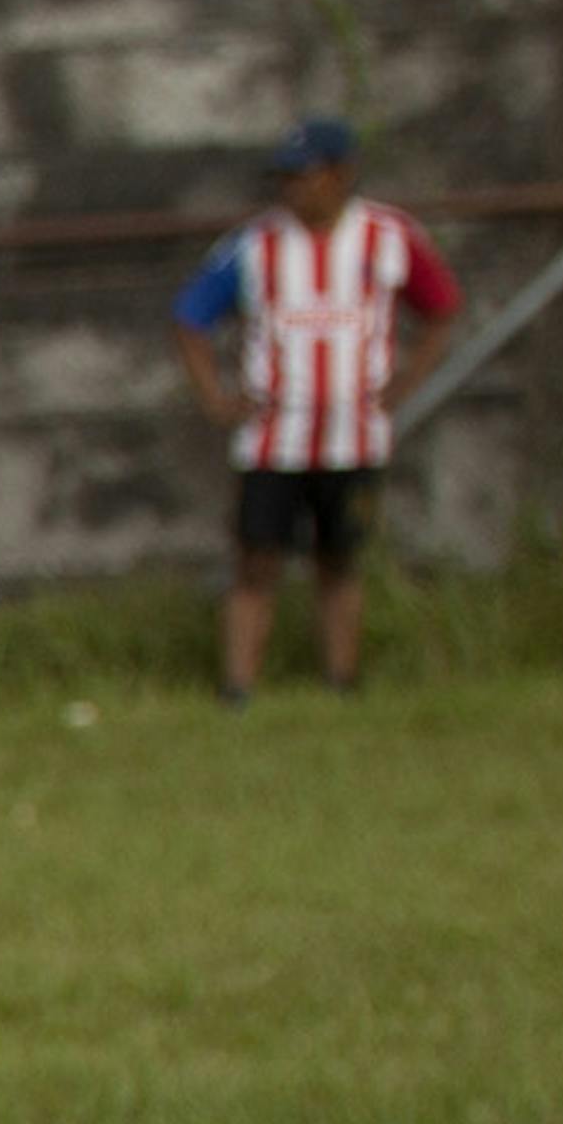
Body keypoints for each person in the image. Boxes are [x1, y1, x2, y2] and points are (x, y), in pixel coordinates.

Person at [173, 116, 461, 703]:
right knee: (257, 560)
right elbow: (189, 317)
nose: (292, 189)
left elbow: (441, 308)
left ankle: (342, 681)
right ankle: (238, 690)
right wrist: (216, 398)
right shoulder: (255, 246)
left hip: (353, 436)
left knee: (341, 559)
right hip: (273, 436)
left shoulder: (390, 237)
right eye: (284, 178)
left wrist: (404, 384)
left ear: (341, 174)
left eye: (303, 176)